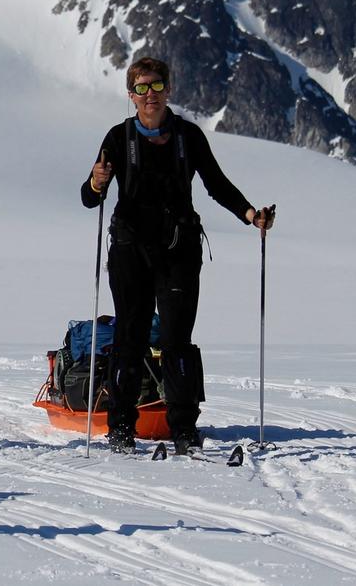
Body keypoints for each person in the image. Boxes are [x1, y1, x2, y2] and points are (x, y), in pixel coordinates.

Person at [82, 57, 274, 454]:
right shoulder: (118, 138)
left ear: (169, 90)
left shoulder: (189, 136)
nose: (149, 95)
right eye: (142, 88)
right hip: (130, 251)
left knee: (176, 340)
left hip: (178, 250)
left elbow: (216, 183)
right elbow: (89, 197)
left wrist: (250, 215)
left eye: (156, 86)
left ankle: (183, 429)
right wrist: (96, 182)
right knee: (130, 337)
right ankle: (121, 428)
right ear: (131, 95)